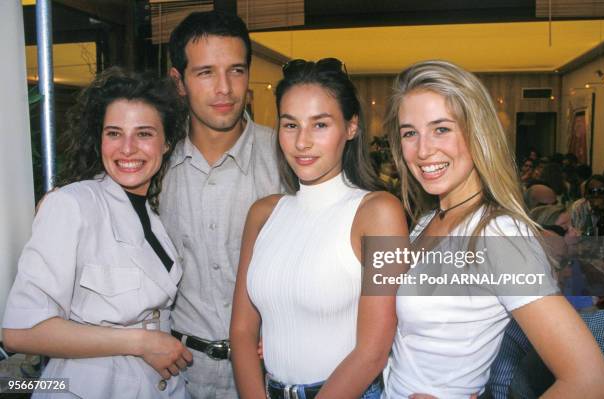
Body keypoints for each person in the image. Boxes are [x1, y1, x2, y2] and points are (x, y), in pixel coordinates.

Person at [384, 60, 604, 398]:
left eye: (441, 128)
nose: (423, 150)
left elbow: (591, 382)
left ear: (477, 132)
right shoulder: (426, 220)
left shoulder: (499, 234)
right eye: (409, 133)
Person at [2, 68, 191, 398]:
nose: (127, 148)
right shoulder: (72, 204)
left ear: (166, 144)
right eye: (114, 133)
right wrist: (142, 342)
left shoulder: (152, 218)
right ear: (99, 139)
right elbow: (19, 332)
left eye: (144, 134)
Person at [230, 58, 409, 399]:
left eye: (320, 125)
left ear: (351, 128)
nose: (302, 142)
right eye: (290, 125)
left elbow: (373, 350)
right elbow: (241, 330)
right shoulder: (263, 213)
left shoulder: (380, 212)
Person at [160, 11, 282, 398]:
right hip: (177, 374)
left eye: (236, 70)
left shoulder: (289, 157)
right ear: (178, 81)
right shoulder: (152, 167)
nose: (225, 89)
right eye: (206, 72)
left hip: (271, 372)